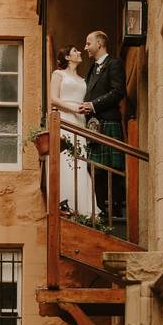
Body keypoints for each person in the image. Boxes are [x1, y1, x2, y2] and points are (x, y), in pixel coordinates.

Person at [79, 31, 126, 218]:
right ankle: (100, 208)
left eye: (88, 43)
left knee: (111, 169)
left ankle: (114, 208)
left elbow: (117, 92)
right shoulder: (91, 69)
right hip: (94, 124)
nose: (85, 47)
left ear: (99, 43)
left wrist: (93, 105)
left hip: (108, 121)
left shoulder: (114, 64)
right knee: (95, 169)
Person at [50, 45, 98, 219]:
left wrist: (82, 110)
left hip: (80, 120)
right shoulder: (58, 74)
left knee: (80, 161)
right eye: (75, 51)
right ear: (68, 57)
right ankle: (65, 203)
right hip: (65, 118)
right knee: (65, 159)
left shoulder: (83, 79)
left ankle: (83, 208)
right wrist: (73, 109)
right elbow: (53, 98)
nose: (79, 53)